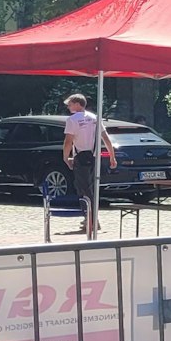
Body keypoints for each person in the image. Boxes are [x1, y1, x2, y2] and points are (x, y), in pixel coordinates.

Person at [60, 93, 117, 238]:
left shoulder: (72, 120)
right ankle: (91, 217)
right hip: (94, 157)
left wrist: (66, 157)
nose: (68, 107)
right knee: (91, 187)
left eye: (70, 104)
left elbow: (68, 141)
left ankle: (91, 219)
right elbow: (105, 137)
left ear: (78, 104)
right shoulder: (94, 118)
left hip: (80, 157)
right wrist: (112, 156)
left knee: (83, 188)